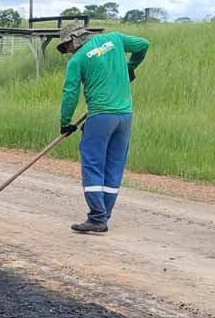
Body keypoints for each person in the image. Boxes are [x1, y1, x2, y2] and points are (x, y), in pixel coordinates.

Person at [58, 22, 149, 233]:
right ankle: (104, 215)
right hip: (125, 116)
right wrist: (130, 67)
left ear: (74, 38)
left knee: (92, 163)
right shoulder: (115, 39)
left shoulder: (77, 60)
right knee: (114, 166)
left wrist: (65, 122)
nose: (67, 51)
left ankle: (97, 217)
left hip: (100, 116)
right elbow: (143, 44)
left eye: (66, 46)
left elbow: (70, 93)